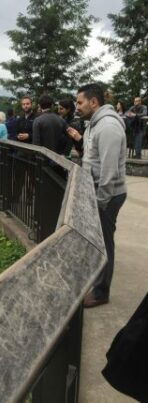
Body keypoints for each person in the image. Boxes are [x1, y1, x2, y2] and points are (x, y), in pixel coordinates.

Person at [65, 83, 128, 308]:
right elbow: (93, 157)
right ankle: (96, 283)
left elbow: (109, 173)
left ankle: (101, 292)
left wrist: (100, 202)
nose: (77, 106)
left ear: (94, 102)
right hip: (99, 193)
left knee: (104, 244)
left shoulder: (108, 126)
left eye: (80, 102)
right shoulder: (95, 124)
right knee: (99, 240)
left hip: (108, 196)